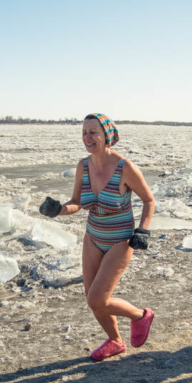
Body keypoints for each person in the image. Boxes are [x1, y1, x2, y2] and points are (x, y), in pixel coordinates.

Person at [40, 113, 156, 360]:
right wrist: (59, 209)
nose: (87, 137)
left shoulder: (125, 167)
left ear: (106, 135)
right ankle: (115, 341)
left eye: (93, 132)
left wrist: (143, 230)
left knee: (97, 299)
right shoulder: (83, 166)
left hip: (121, 239)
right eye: (84, 132)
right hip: (93, 236)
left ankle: (140, 316)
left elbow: (148, 200)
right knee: (92, 298)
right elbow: (77, 202)